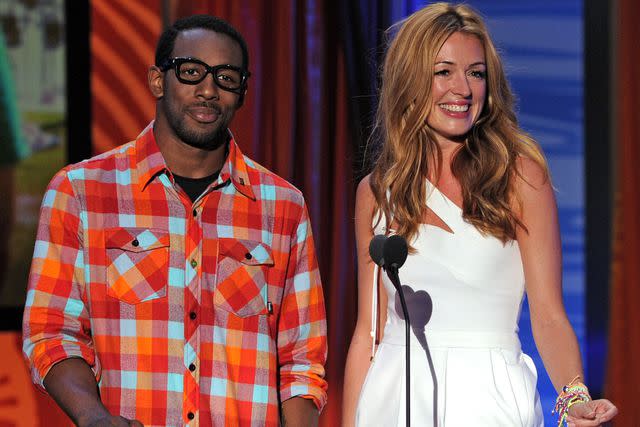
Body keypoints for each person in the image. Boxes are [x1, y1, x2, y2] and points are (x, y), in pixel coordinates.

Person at [22, 15, 327, 427]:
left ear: (242, 92)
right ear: (157, 80)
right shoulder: (80, 191)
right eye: (191, 72)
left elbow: (302, 361)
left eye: (226, 77)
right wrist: (93, 417)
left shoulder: (283, 205)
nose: (208, 90)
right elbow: (52, 332)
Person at [342, 3, 617, 426]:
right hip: (395, 397)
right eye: (443, 72)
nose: (463, 89)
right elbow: (368, 334)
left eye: (476, 72)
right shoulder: (377, 192)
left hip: (488, 397)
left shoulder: (520, 176)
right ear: (411, 81)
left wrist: (573, 395)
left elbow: (548, 315)